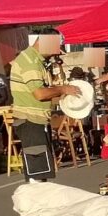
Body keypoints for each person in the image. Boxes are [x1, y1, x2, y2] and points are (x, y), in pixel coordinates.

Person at [10, 36, 80, 182]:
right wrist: (63, 89)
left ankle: (39, 197)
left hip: (36, 119)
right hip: (30, 119)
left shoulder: (35, 61)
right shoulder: (30, 62)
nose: (55, 54)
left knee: (41, 168)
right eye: (55, 49)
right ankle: (37, 202)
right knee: (38, 171)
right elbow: (40, 94)